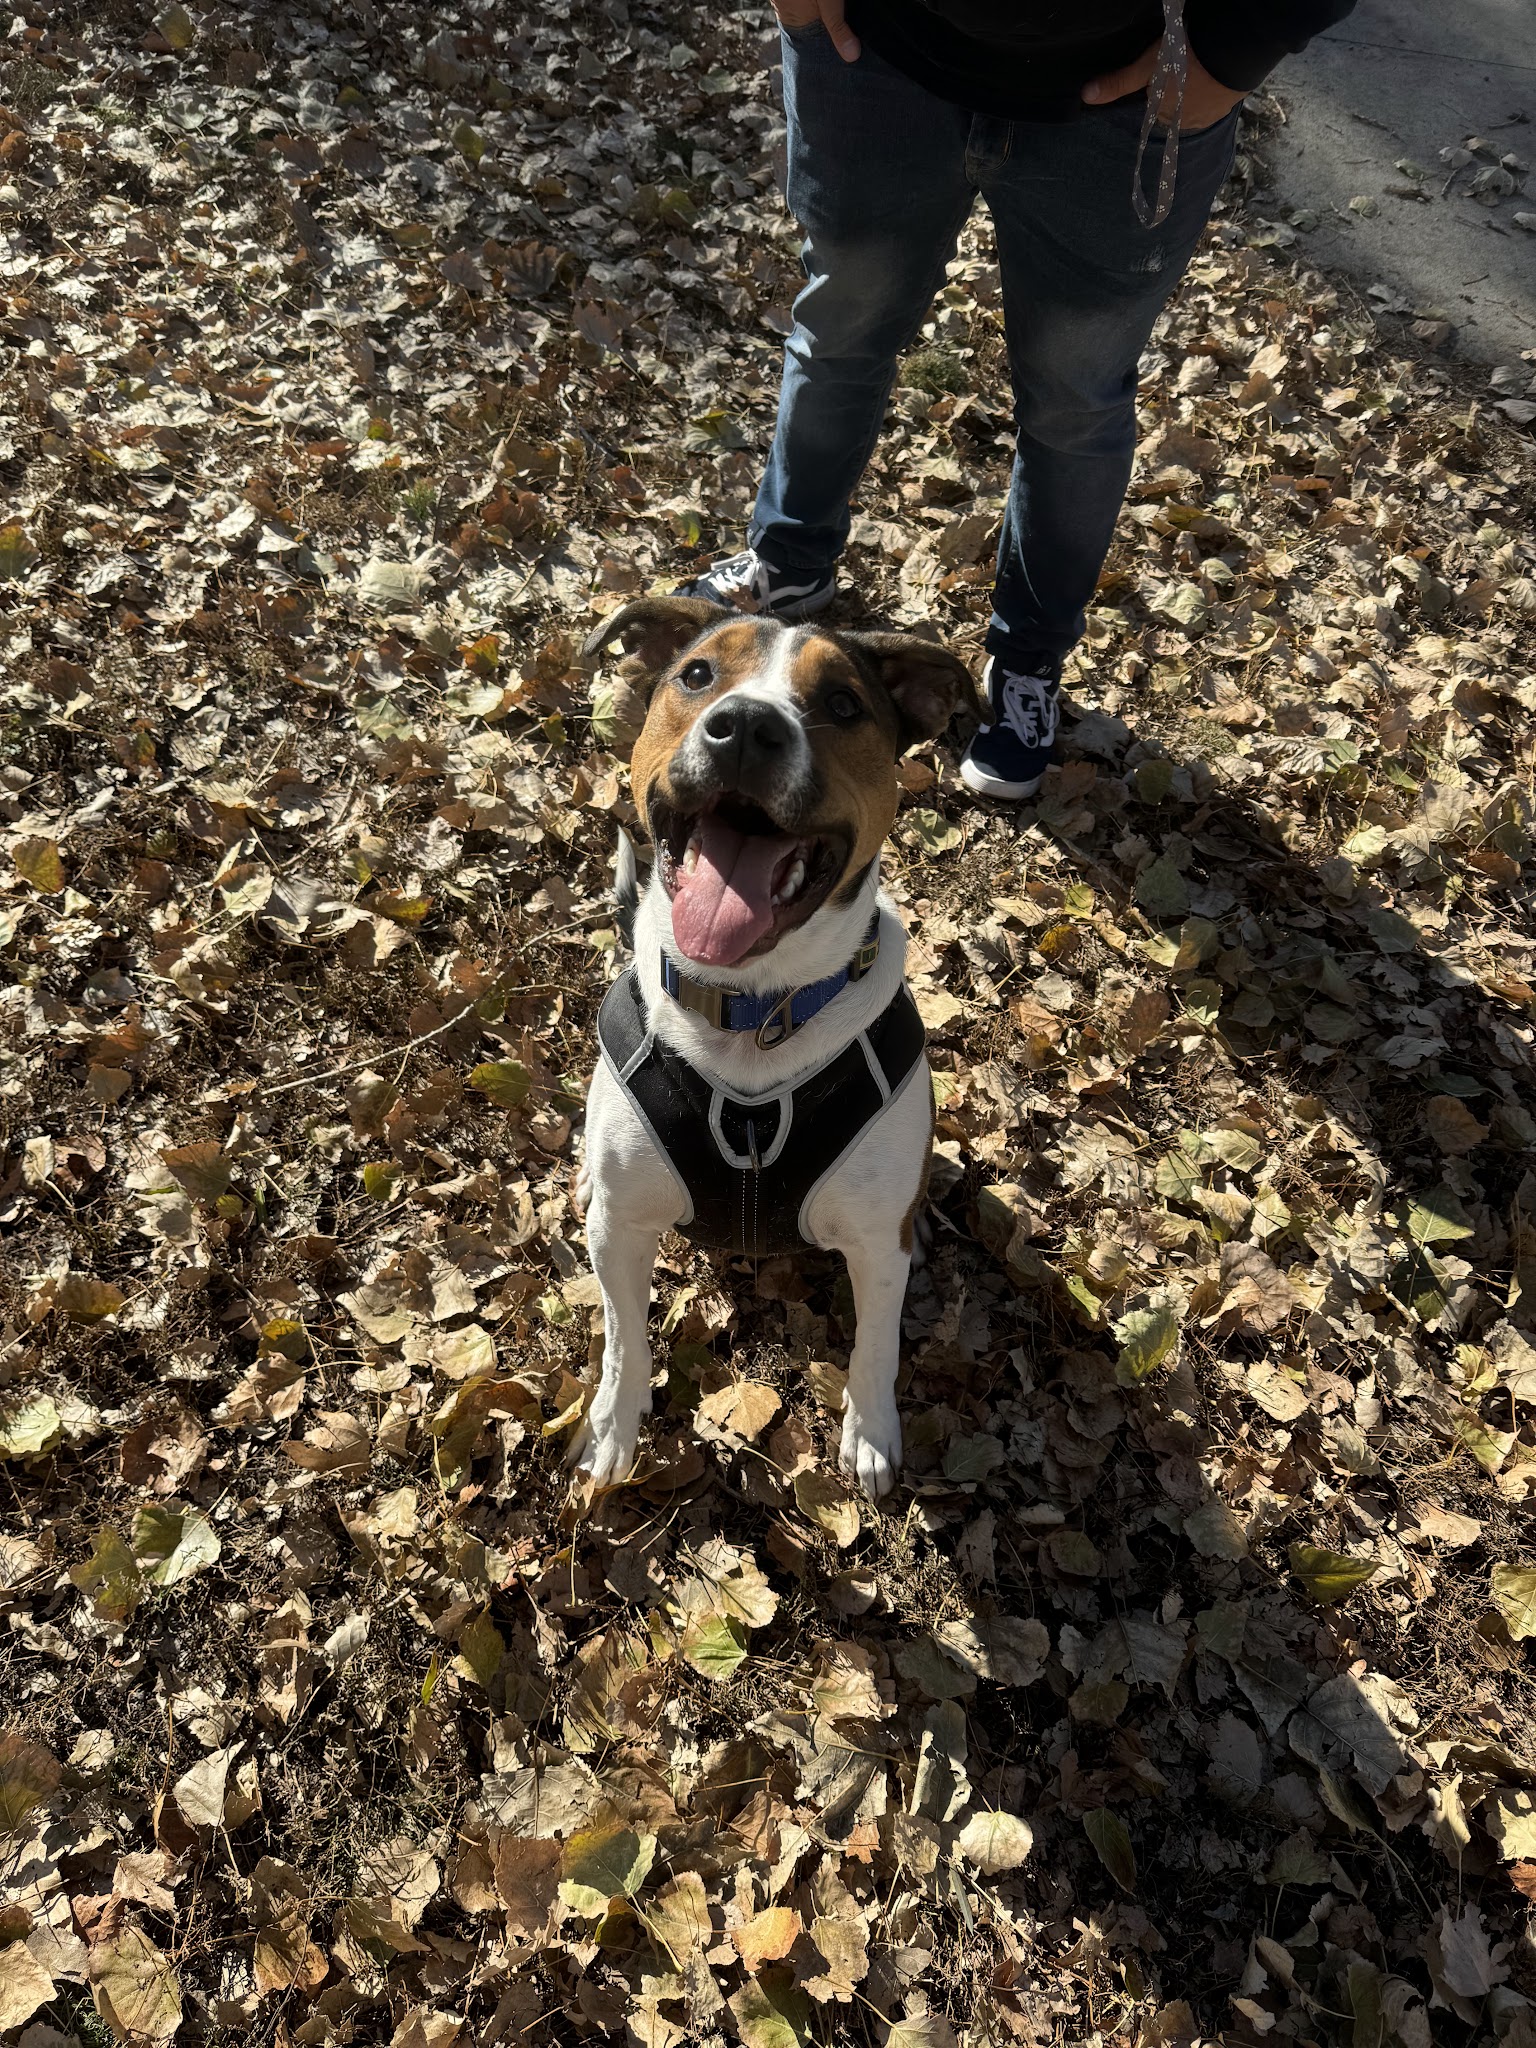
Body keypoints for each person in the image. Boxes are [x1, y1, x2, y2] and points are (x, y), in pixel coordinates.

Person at [681, 0, 1356, 798]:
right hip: (875, 54)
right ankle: (790, 559)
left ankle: (1029, 658)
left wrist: (1233, 48)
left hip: (1131, 88)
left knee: (1076, 403)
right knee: (838, 333)